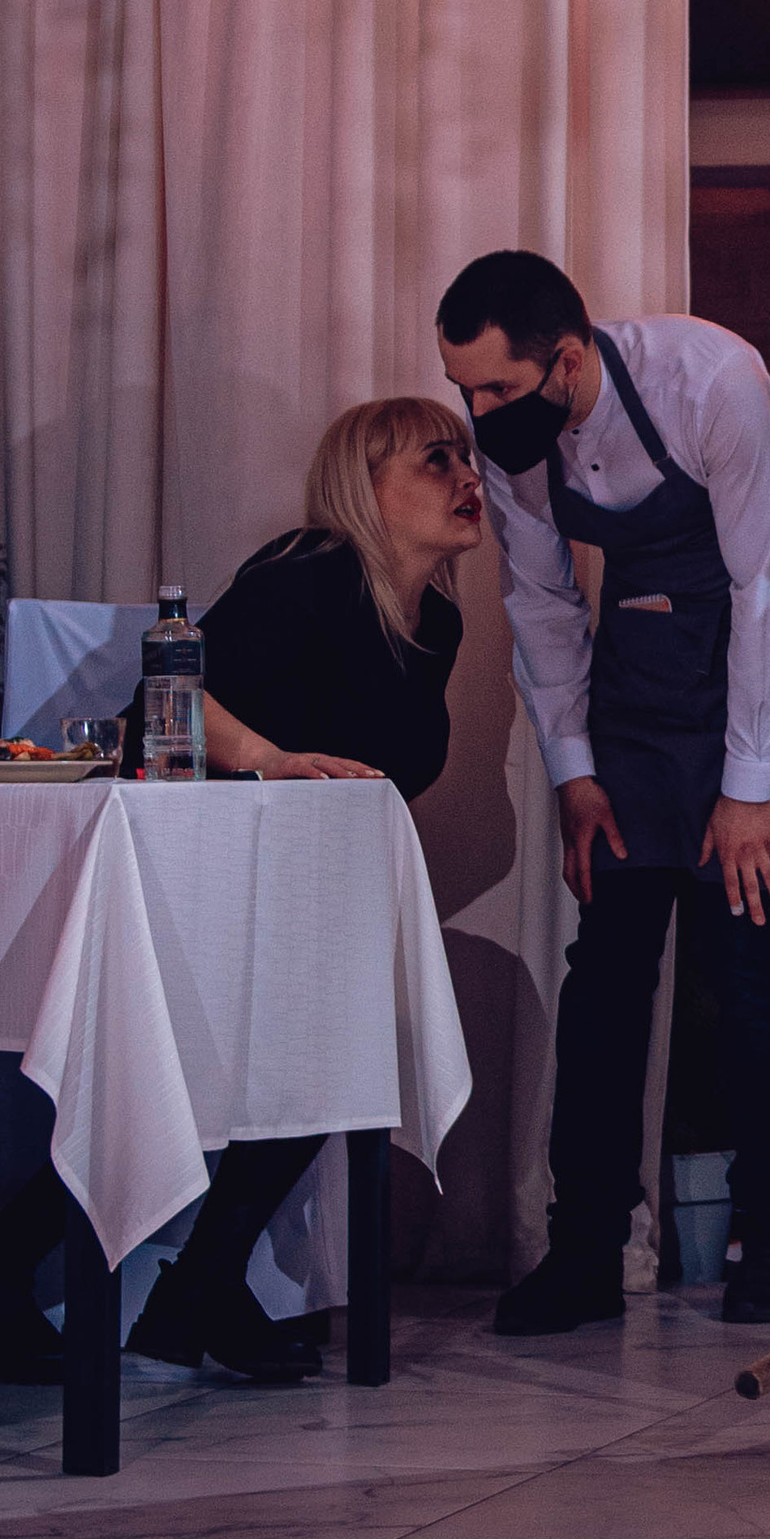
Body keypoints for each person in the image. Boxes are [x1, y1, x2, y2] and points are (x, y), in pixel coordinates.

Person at [437, 250, 770, 1334]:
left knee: (746, 956)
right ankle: (582, 1252)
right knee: (609, 963)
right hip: (646, 671)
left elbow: (766, 584)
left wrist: (747, 790)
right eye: (462, 389)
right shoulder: (521, 444)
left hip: (767, 657)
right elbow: (539, 604)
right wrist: (575, 773)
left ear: (565, 359)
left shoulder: (708, 380)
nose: (479, 415)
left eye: (497, 390)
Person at [126, 397, 481, 1384]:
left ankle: (191, 1293)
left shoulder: (436, 621)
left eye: (469, 459)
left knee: (327, 1050)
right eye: (437, 460)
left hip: (304, 887)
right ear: (367, 486)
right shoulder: (310, 572)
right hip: (207, 864)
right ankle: (168, 1290)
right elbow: (171, 690)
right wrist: (273, 759)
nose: (469, 479)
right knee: (293, 1052)